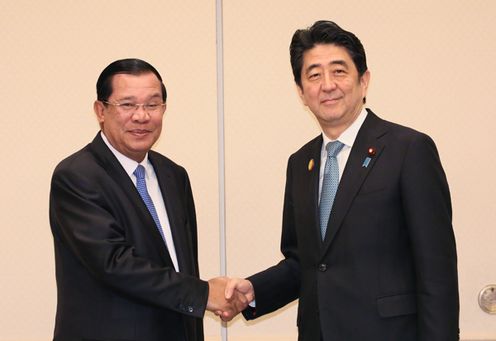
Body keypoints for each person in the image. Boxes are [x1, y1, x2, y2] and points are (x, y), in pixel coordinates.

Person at [225, 21, 459, 340]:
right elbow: (304, 263)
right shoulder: (300, 164)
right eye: (314, 75)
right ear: (301, 92)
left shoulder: (409, 150)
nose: (327, 85)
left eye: (339, 71)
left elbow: (437, 272)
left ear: (363, 81)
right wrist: (253, 291)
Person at [49, 58, 245, 341]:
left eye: (152, 105)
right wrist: (203, 295)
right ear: (100, 110)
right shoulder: (77, 176)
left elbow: (182, 267)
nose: (142, 116)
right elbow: (115, 264)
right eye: (127, 105)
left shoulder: (174, 176)